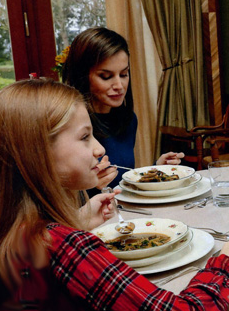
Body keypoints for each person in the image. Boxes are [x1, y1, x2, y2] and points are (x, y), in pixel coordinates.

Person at [0, 79, 229, 311]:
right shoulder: (67, 248)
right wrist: (227, 262)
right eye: (84, 138)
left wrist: (76, 222)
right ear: (36, 154)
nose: (98, 149)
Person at [62, 27, 184, 190]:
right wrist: (91, 186)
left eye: (124, 74)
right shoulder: (68, 126)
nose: (119, 86)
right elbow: (58, 198)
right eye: (106, 76)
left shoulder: (128, 120)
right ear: (82, 76)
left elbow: (122, 179)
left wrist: (156, 170)